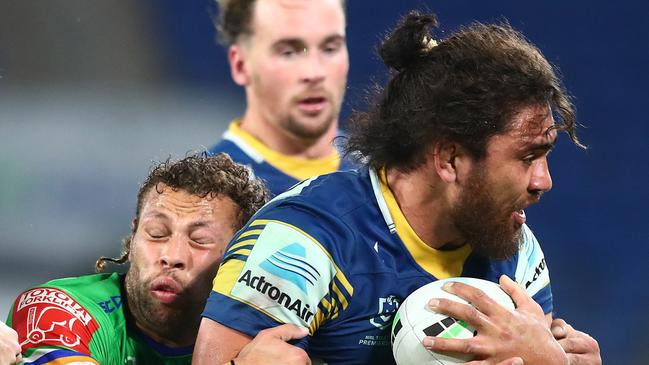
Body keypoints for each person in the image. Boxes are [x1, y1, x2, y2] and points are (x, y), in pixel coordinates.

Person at [193, 12, 601, 365]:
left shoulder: (518, 255)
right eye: (527, 157)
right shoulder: (302, 245)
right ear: (450, 159)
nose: (543, 181)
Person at [5, 154, 309, 365]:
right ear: (133, 236)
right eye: (157, 233)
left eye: (199, 240)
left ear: (241, 256)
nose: (171, 256)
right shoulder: (56, 309)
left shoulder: (279, 339)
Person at [208, 0, 356, 196]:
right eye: (288, 52)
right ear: (240, 65)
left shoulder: (385, 171)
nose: (314, 73)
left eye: (329, 49)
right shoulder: (206, 194)